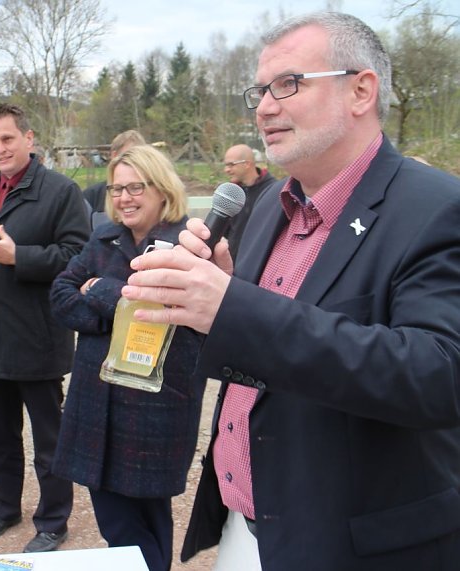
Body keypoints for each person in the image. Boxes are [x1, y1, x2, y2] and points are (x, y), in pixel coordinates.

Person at [121, 12, 460, 571]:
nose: (263, 107)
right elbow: (268, 348)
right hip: (246, 527)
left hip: (355, 547)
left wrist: (233, 307)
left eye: (289, 84)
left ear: (360, 90)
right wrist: (213, 299)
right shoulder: (267, 210)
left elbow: (439, 373)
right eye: (259, 90)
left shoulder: (436, 208)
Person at [0, 103, 89, 553]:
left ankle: (53, 521)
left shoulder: (61, 192)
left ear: (29, 139)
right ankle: (4, 507)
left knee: (48, 441)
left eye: (8, 138)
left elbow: (78, 259)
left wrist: (19, 256)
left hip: (37, 336)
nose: (0, 148)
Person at [50, 145, 205, 571]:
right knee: (115, 521)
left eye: (135, 187)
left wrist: (99, 289)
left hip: (155, 404)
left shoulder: (187, 245)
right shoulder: (102, 240)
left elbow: (167, 313)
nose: (124, 197)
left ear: (161, 189)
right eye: (117, 188)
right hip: (96, 403)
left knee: (149, 518)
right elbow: (60, 296)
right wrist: (117, 313)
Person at [220, 144, 277, 261]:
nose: (226, 170)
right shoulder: (232, 193)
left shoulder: (274, 192)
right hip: (233, 265)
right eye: (225, 165)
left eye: (231, 165)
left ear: (247, 164)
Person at [83, 130, 146, 229]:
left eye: (135, 188)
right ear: (114, 156)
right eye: (128, 156)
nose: (125, 198)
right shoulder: (91, 197)